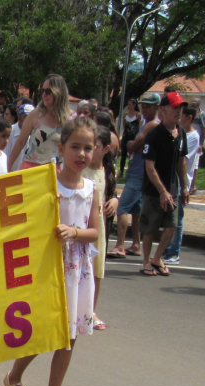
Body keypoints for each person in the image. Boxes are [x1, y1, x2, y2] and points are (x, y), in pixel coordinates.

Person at [1, 116, 101, 386]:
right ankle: (13, 378)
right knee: (43, 332)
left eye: (88, 148)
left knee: (68, 337)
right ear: (61, 148)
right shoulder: (47, 183)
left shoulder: (92, 188)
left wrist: (74, 232)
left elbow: (95, 232)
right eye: (75, 147)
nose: (81, 154)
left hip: (77, 271)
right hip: (49, 269)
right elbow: (23, 223)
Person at [139, 92, 189, 277]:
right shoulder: (154, 135)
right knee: (150, 227)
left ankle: (157, 257)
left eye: (180, 108)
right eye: (174, 107)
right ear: (163, 110)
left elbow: (181, 161)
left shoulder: (181, 132)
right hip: (153, 190)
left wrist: (184, 186)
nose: (178, 111)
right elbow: (149, 168)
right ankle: (146, 261)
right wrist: (162, 191)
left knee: (172, 225)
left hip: (173, 188)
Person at [109, 92, 160, 258]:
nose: (144, 109)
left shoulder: (152, 124)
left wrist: (132, 145)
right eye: (143, 106)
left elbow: (133, 144)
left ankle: (120, 245)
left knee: (122, 207)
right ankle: (136, 244)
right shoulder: (145, 123)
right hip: (136, 171)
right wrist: (134, 145)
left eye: (148, 106)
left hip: (139, 173)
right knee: (136, 210)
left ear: (157, 107)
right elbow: (134, 145)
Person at [83, 126, 118, 331]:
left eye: (93, 147)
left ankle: (91, 310)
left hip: (99, 229)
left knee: (97, 271)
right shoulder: (80, 169)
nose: (88, 152)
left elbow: (111, 192)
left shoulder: (106, 170)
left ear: (105, 149)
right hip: (81, 226)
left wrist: (115, 200)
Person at [162, 105, 202, 265]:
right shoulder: (179, 134)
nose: (178, 118)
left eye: (181, 115)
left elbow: (182, 159)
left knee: (176, 220)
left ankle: (173, 252)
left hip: (180, 182)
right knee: (169, 218)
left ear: (189, 118)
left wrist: (186, 187)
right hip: (171, 183)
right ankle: (167, 249)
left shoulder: (192, 137)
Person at [8, 74, 71, 173]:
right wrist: (8, 167)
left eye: (48, 91)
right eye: (43, 91)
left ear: (59, 92)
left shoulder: (69, 119)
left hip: (54, 171)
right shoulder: (35, 114)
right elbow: (20, 142)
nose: (44, 95)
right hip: (31, 168)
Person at [120, 98, 140, 173]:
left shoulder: (138, 115)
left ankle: (131, 170)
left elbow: (139, 127)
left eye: (130, 104)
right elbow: (125, 125)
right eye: (128, 104)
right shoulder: (126, 114)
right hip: (126, 136)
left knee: (132, 155)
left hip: (133, 137)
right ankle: (121, 171)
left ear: (134, 105)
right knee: (123, 154)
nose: (128, 106)